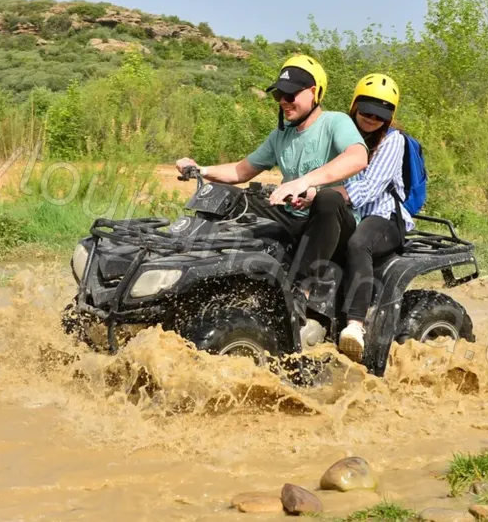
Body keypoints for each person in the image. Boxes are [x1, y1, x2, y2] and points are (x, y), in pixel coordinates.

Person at [175, 55, 368, 323]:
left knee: (327, 199)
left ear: (313, 92)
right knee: (231, 198)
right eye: (279, 94)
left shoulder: (335, 122)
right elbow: (241, 171)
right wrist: (201, 169)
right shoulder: (281, 134)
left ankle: (301, 290)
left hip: (333, 225)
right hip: (293, 215)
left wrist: (305, 181)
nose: (283, 101)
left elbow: (358, 157)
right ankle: (196, 266)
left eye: (290, 94)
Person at [335, 73, 416, 364]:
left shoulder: (393, 141)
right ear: (355, 105)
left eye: (379, 115)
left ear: (389, 116)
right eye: (366, 112)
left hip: (383, 216)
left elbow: (370, 188)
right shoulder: (341, 132)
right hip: (349, 212)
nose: (371, 119)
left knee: (359, 244)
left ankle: (355, 325)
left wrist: (326, 192)